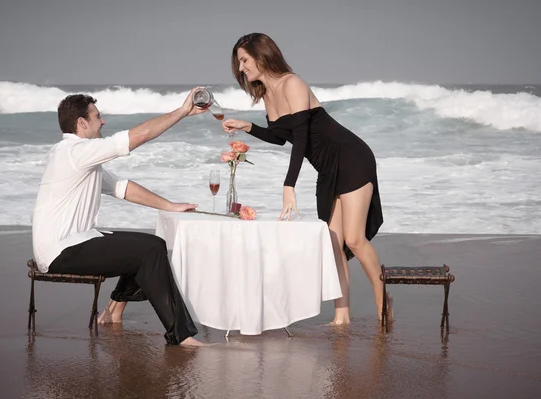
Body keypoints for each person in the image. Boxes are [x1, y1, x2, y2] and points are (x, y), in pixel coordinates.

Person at [222, 33, 390, 325]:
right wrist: (248, 126)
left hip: (351, 157)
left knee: (353, 238)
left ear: (262, 55)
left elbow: (300, 139)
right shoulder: (267, 94)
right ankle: (342, 315)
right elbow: (279, 138)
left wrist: (289, 186)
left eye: (245, 60)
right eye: (239, 63)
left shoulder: (293, 83)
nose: (242, 68)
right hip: (327, 168)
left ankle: (383, 302)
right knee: (333, 244)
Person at [32, 89, 207, 346]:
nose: (102, 121)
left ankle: (113, 312)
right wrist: (181, 112)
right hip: (61, 250)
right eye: (97, 116)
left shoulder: (77, 156)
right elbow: (138, 136)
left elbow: (122, 188)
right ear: (82, 123)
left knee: (148, 245)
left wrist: (170, 205)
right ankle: (182, 336)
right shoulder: (76, 152)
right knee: (148, 250)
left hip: (73, 242)